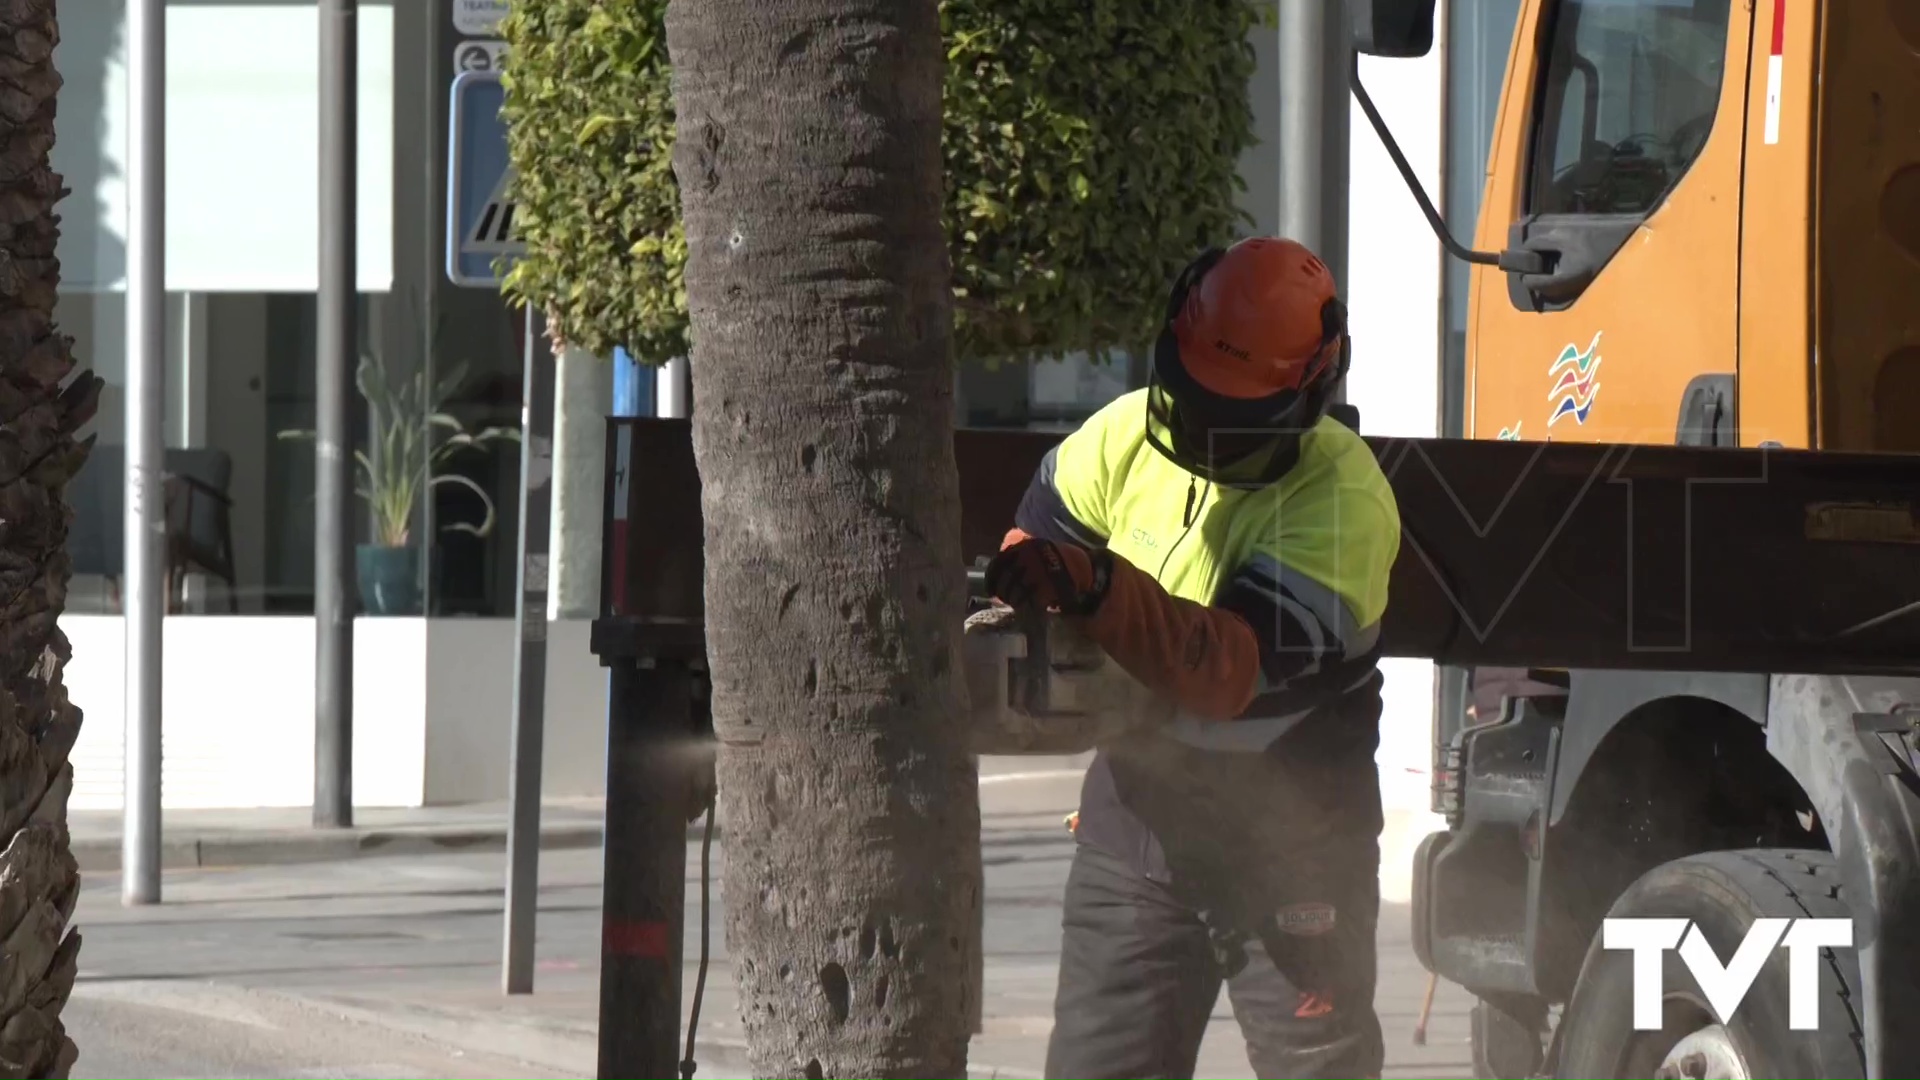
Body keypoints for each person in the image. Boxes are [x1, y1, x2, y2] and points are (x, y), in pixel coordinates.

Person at [985, 236, 1402, 1080]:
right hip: (1137, 830)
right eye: (1192, 402)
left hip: (1294, 851)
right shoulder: (1126, 434)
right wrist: (1033, 581)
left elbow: (1224, 672)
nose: (1203, 435)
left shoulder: (1342, 498)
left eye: (1232, 420)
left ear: (1312, 390)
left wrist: (1097, 585)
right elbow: (1034, 538)